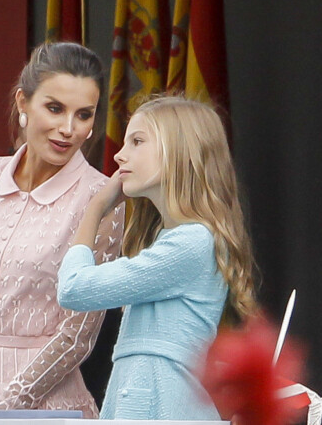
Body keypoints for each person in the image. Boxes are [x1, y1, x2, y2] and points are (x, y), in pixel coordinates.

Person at [0, 42, 125, 417]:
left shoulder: (101, 198)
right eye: (55, 108)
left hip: (46, 408)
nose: (68, 129)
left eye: (84, 115)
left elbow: (76, 338)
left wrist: (3, 411)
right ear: (23, 103)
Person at [58, 95, 258, 420]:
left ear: (180, 151)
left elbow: (74, 288)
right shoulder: (172, 239)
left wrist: (95, 209)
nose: (121, 155)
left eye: (137, 141)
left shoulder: (192, 242)